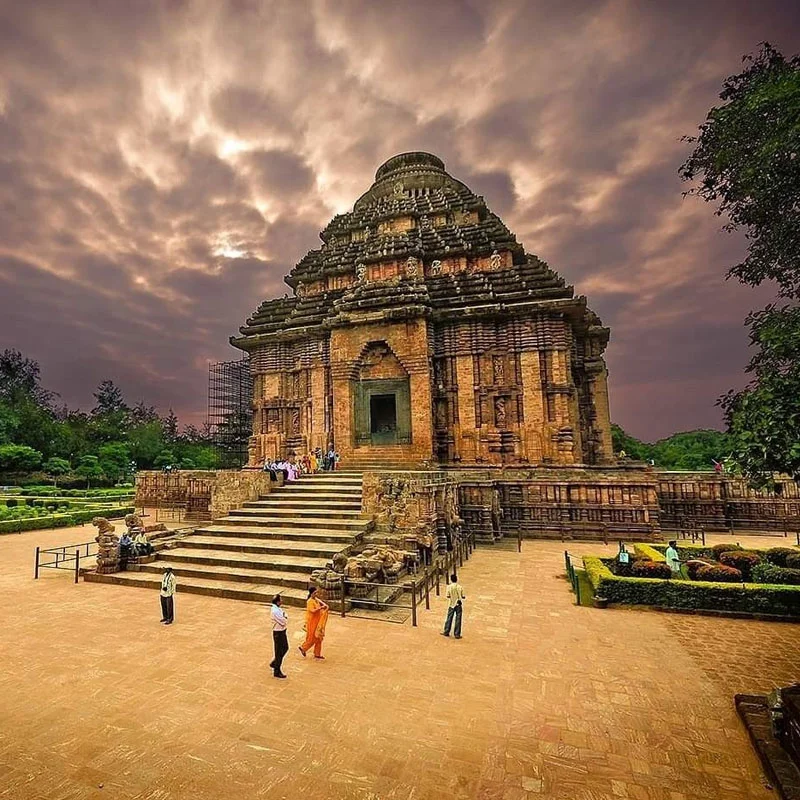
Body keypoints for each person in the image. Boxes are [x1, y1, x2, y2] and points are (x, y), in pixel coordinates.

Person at [298, 586, 329, 659]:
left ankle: (317, 653)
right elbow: (313, 610)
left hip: (317, 621)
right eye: (315, 593)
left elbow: (322, 602)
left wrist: (324, 605)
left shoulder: (316, 599)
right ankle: (303, 648)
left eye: (316, 593)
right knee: (312, 638)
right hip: (312, 622)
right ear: (311, 593)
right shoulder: (309, 601)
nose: (316, 594)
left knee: (319, 638)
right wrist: (321, 607)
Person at [269, 594, 289, 679]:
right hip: (278, 632)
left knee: (285, 648)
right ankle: (277, 670)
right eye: (280, 599)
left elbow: (285, 615)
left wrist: (284, 616)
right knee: (279, 651)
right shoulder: (275, 611)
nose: (282, 601)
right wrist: (284, 617)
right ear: (277, 601)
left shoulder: (278, 609)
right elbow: (283, 621)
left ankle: (275, 663)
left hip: (282, 631)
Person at [441, 573, 466, 639]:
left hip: (451, 603)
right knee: (458, 619)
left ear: (451, 580)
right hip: (458, 604)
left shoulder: (449, 587)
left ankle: (446, 631)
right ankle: (457, 634)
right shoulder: (460, 587)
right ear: (456, 579)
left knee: (449, 617)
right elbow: (463, 596)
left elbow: (448, 596)